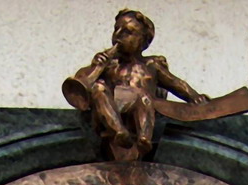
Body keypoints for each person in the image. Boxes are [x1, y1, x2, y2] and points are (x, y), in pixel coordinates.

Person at [67, 9, 207, 159]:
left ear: (143, 40)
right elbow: (81, 84)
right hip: (113, 109)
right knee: (99, 88)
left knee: (143, 96)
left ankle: (144, 138)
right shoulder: (109, 65)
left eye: (128, 32)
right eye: (116, 29)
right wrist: (96, 66)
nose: (118, 35)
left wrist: (194, 96)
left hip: (139, 111)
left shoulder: (151, 65)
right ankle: (118, 130)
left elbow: (175, 82)